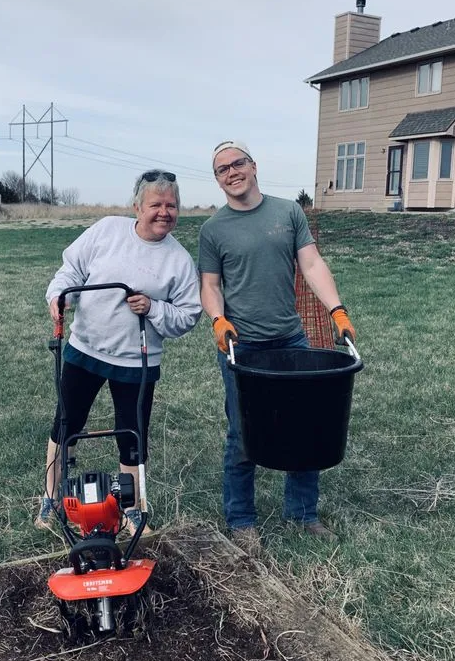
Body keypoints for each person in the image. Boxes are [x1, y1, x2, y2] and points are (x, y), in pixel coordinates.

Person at [198, 140, 356, 557]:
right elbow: (210, 285)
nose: (231, 173)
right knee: (242, 432)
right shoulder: (213, 229)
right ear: (217, 180)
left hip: (290, 338)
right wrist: (218, 320)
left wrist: (336, 311)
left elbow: (312, 264)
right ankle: (241, 520)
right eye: (221, 170)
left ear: (253, 166)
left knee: (306, 424)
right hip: (241, 345)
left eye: (237, 164)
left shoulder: (288, 212)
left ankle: (303, 514)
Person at [37, 170, 201, 531]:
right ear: (137, 207)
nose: (164, 212)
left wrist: (154, 308)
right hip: (86, 350)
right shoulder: (107, 230)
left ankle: (132, 507)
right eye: (155, 204)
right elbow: (71, 270)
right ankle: (51, 499)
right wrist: (59, 296)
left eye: (171, 205)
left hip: (136, 362)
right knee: (66, 423)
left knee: (133, 433)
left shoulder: (179, 260)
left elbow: (189, 315)